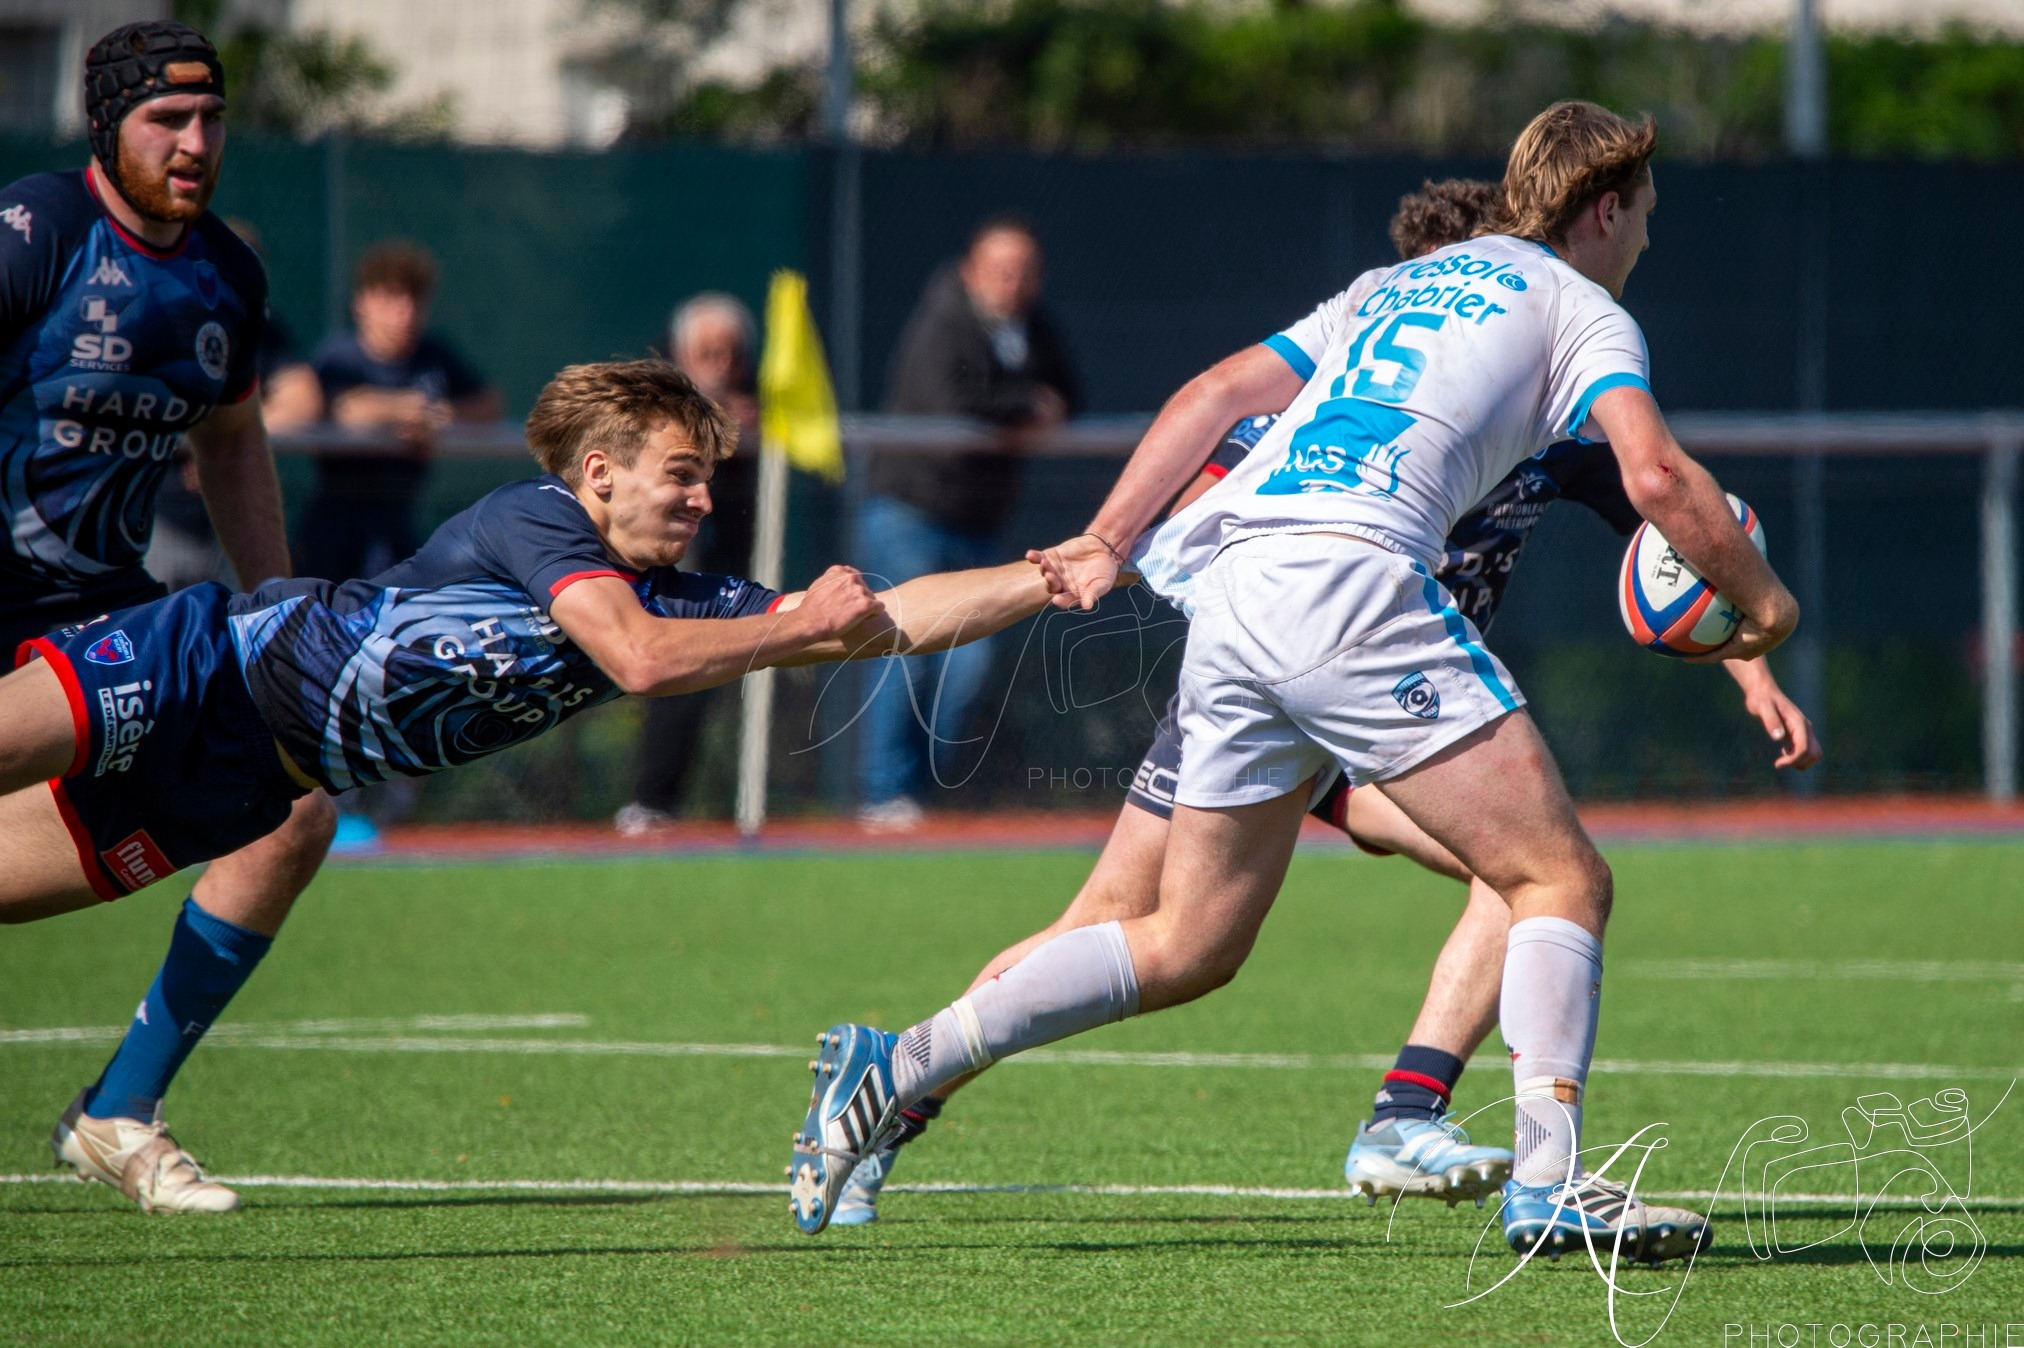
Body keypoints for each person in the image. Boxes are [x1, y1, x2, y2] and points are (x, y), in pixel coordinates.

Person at [788, 102, 1800, 1267]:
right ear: (1604, 208)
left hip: (1241, 590)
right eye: (1645, 220)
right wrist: (1764, 607)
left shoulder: (1390, 286)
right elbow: (1662, 477)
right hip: (1355, 592)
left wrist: (1109, 539)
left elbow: (1216, 388)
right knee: (1557, 877)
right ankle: (1543, 1180)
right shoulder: (1579, 305)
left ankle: (896, 1067)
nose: (1645, 246)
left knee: (1186, 943)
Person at [0, 360, 1070, 1213]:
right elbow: (640, 660)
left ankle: (117, 1112)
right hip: (199, 664)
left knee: (286, 827)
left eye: (707, 477)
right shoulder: (535, 517)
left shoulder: (686, 596)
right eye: (682, 474)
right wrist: (799, 626)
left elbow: (888, 622)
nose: (704, 498)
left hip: (249, 776)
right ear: (598, 471)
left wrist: (1049, 573)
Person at [0, 20, 339, 1215]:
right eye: (167, 120)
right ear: (106, 125)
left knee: (294, 802)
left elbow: (234, 436)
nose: (196, 145)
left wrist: (281, 606)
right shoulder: (37, 232)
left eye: (212, 120)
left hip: (98, 623)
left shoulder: (224, 277)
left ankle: (117, 1111)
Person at [857, 216, 1082, 830]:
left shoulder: (1031, 326)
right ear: (971, 271)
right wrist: (1027, 406)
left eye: (1024, 272)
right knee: (903, 648)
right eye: (1000, 270)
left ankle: (923, 798)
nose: (1013, 284)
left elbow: (1070, 393)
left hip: (977, 522)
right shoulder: (944, 321)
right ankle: (883, 795)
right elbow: (958, 405)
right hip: (910, 514)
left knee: (971, 661)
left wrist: (1033, 405)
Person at [615, 293, 761, 834]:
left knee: (715, 676)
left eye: (729, 355)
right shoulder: (644, 404)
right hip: (644, 573)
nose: (718, 367)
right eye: (706, 354)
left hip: (720, 572)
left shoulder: (756, 407)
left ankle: (709, 803)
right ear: (679, 353)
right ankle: (648, 799)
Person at [299, 239, 501, 584]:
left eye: (414, 300)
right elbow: (338, 408)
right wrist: (406, 410)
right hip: (336, 519)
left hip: (401, 514)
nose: (404, 313)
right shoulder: (340, 355)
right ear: (362, 303)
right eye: (391, 299)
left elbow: (487, 404)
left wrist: (438, 416)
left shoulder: (434, 355)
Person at [146, 216, 322, 592]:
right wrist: (197, 443)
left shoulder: (262, 330)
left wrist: (223, 440)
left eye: (245, 267)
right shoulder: (158, 322)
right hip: (160, 523)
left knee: (246, 633)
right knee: (150, 638)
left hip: (232, 533)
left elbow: (301, 398)